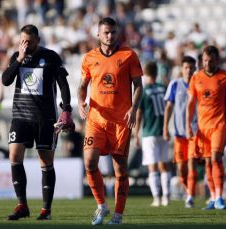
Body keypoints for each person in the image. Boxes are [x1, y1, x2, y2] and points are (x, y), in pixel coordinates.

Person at [1, 24, 74, 220]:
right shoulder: (16, 57)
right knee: (14, 156)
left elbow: (63, 84)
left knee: (46, 161)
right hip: (20, 116)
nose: (26, 45)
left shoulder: (51, 57)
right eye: (23, 41)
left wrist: (66, 109)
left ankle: (46, 210)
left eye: (30, 42)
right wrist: (18, 59)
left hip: (45, 118)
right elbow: (6, 80)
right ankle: (22, 205)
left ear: (37, 41)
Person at [78, 17, 143, 225]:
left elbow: (138, 85)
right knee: (89, 162)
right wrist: (81, 102)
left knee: (119, 170)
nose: (110, 36)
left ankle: (118, 214)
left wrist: (134, 108)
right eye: (106, 32)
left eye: (113, 32)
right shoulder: (89, 58)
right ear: (98, 34)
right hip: (96, 119)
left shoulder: (129, 56)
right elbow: (82, 84)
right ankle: (101, 205)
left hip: (120, 122)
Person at [186, 45, 226, 210]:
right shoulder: (196, 78)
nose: (207, 63)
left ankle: (220, 197)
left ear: (217, 60)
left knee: (216, 158)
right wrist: (188, 125)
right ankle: (213, 197)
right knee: (207, 163)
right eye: (204, 60)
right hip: (202, 128)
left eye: (210, 60)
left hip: (219, 124)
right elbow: (190, 104)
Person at [163, 56, 199, 208]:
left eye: (191, 68)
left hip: (194, 133)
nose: (189, 70)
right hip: (178, 133)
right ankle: (188, 190)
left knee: (191, 165)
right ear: (182, 68)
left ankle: (190, 196)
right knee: (181, 169)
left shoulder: (199, 84)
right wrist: (165, 127)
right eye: (186, 67)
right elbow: (169, 107)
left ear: (195, 69)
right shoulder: (175, 84)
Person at [134, 61, 170, 207]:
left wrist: (136, 134)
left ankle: (156, 198)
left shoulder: (144, 90)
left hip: (149, 132)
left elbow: (139, 114)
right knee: (164, 166)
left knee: (152, 166)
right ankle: (166, 197)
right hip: (163, 130)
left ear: (146, 74)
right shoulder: (164, 88)